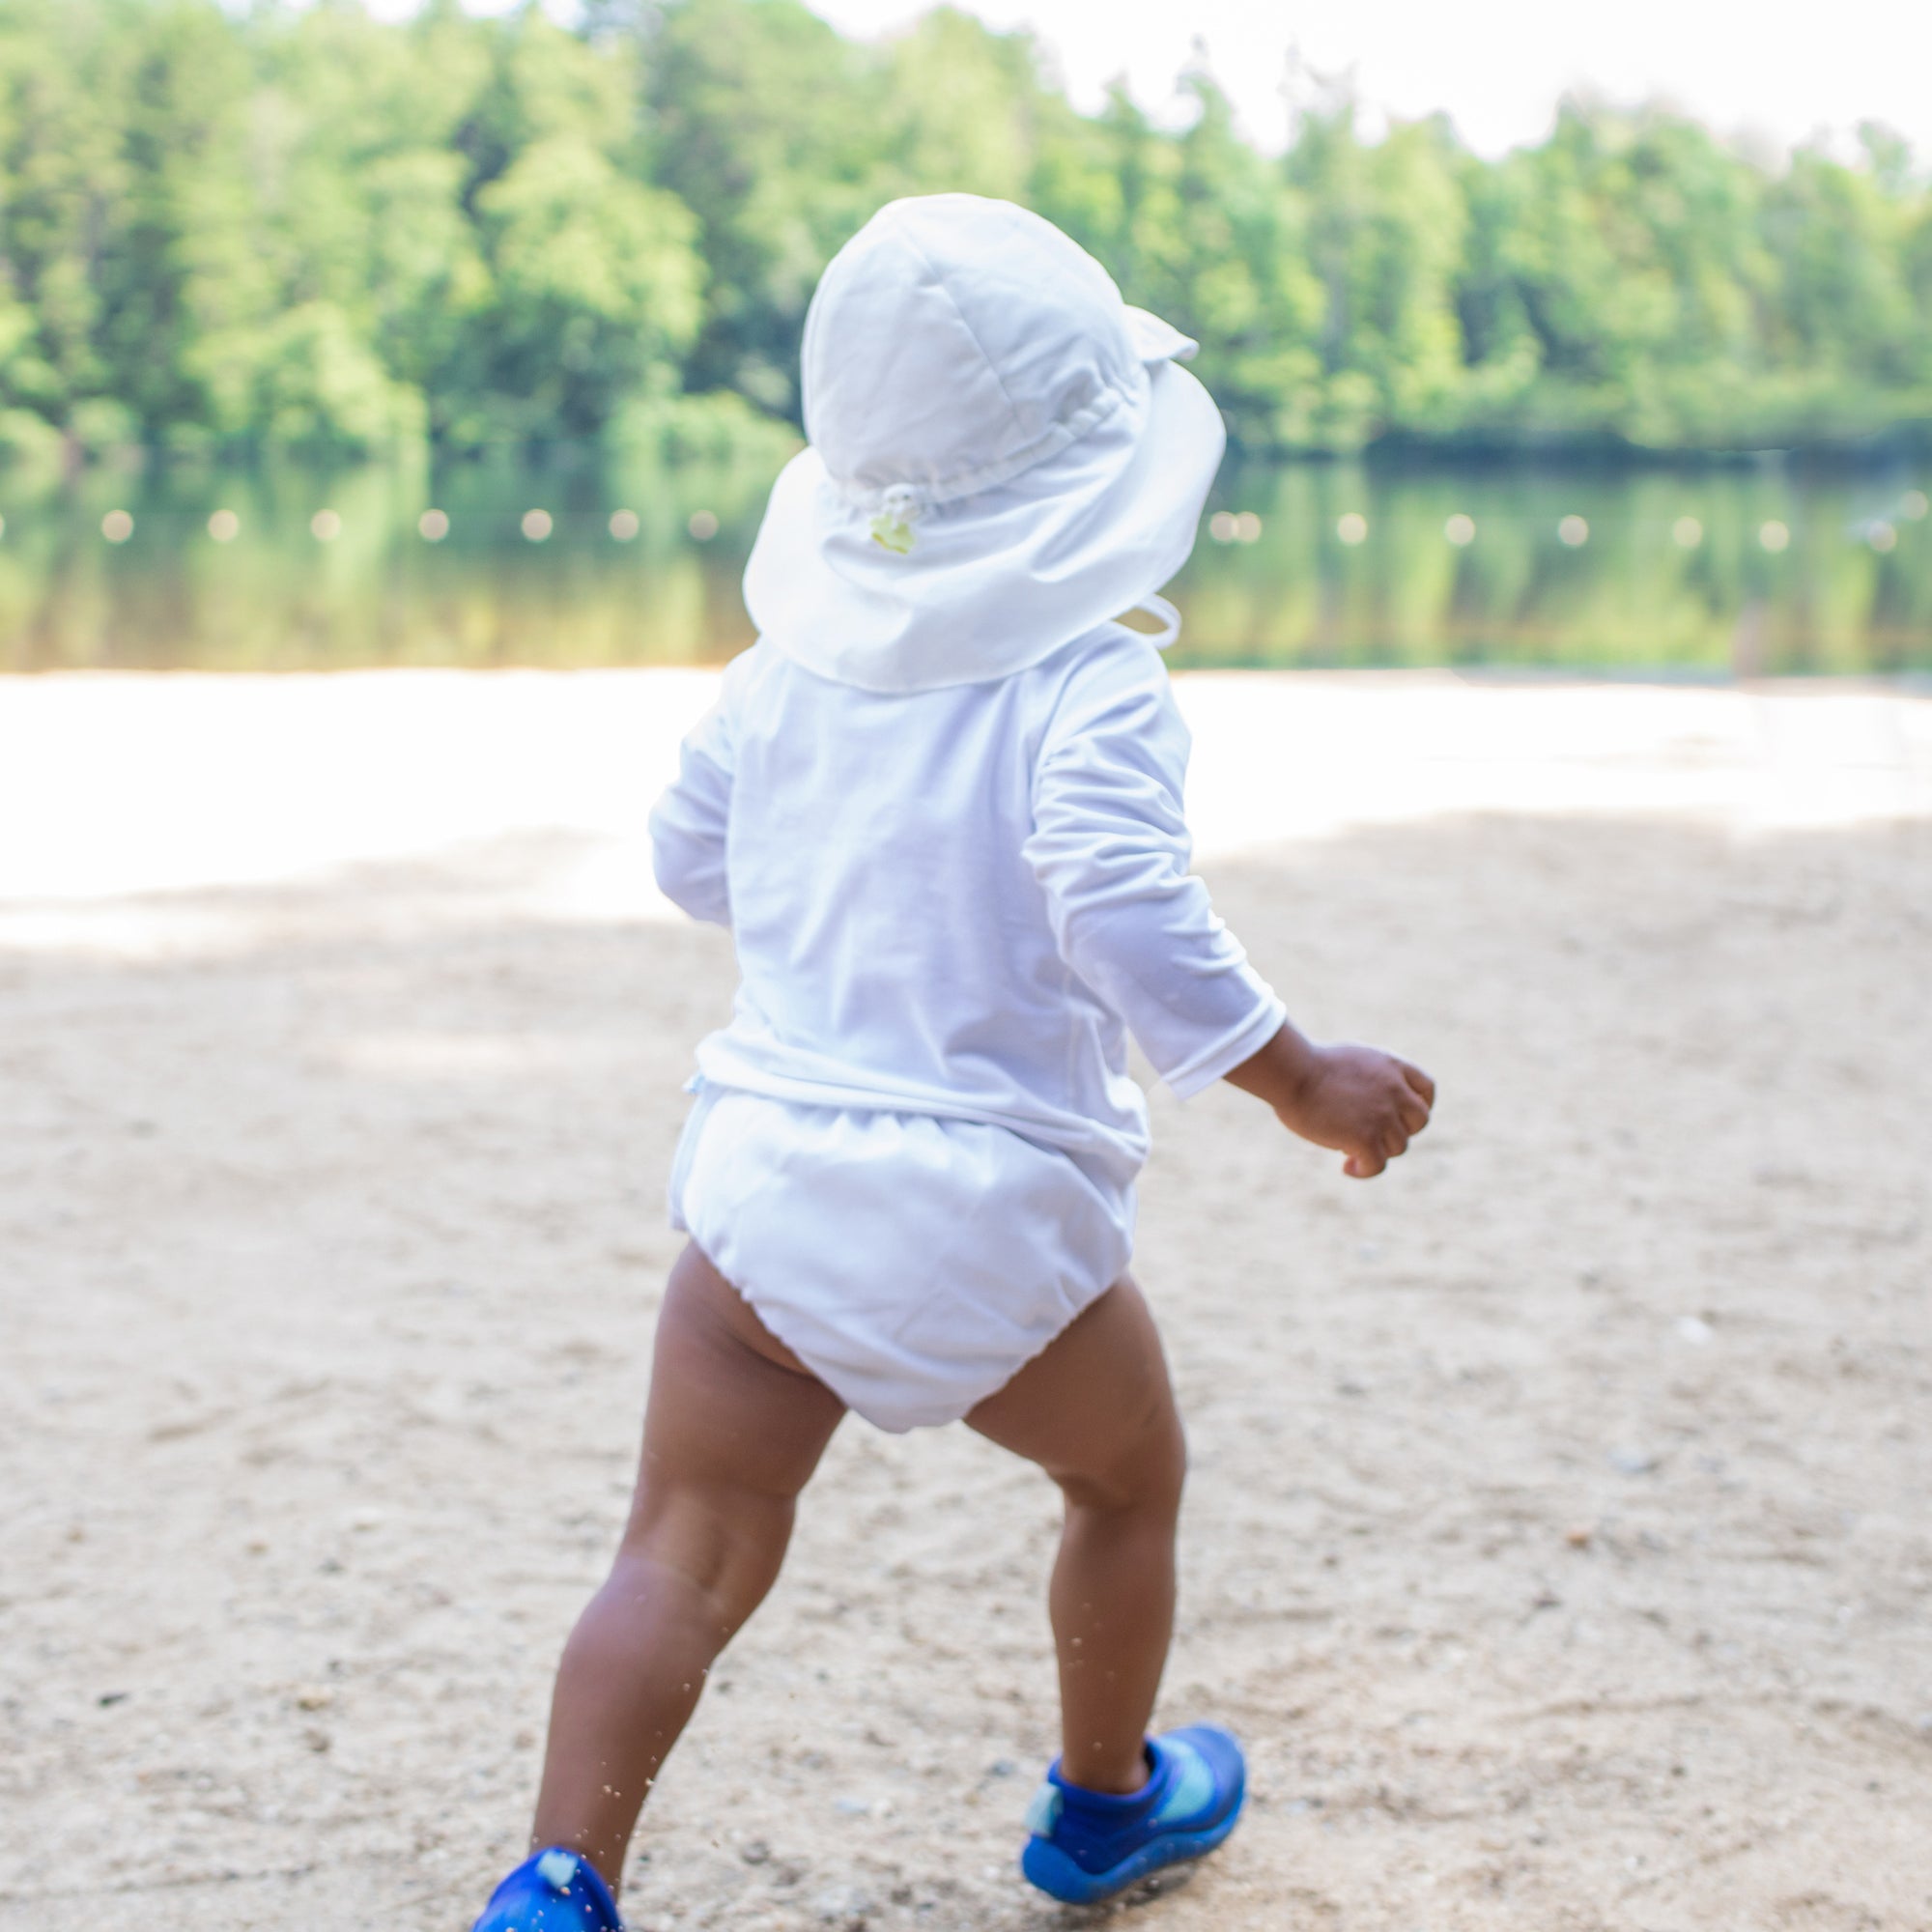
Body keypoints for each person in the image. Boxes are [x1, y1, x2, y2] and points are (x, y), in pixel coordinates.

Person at [470, 194, 1434, 1931]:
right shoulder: (1091, 686)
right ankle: (1103, 1807)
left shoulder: (786, 676)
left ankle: (557, 1882)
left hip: (763, 1196)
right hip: (987, 1213)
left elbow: (691, 858)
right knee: (1125, 1480)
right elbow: (1122, 903)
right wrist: (1297, 1077)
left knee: (682, 1544)